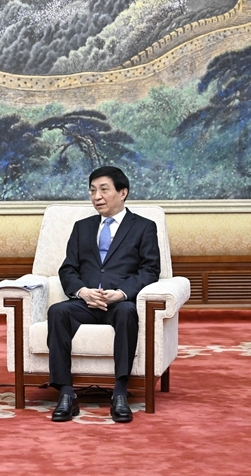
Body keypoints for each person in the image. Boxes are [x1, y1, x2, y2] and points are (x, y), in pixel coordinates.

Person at [47, 166, 160, 423]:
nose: (96, 196)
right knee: (57, 312)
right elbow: (68, 269)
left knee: (128, 313)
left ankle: (120, 392)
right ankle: (66, 392)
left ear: (123, 192)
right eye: (92, 190)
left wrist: (122, 293)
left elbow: (150, 269)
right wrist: (83, 292)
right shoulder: (82, 228)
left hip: (118, 303)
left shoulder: (144, 227)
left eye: (103, 190)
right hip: (86, 302)